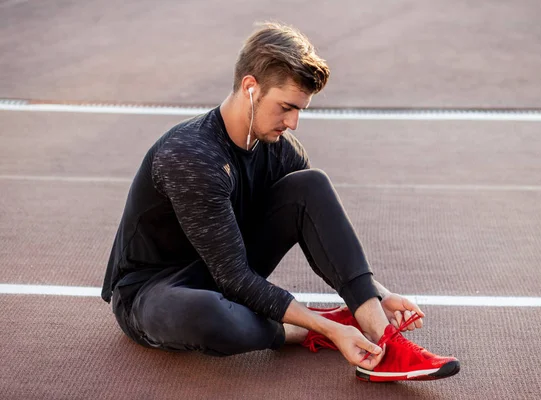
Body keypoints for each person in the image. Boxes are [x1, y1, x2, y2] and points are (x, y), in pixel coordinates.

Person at [101, 22, 460, 382]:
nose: (293, 122)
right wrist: (325, 326)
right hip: (155, 291)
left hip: (224, 268)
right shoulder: (192, 156)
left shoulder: (277, 148)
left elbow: (320, 231)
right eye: (286, 107)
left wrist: (375, 296)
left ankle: (382, 340)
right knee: (209, 315)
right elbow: (235, 279)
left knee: (311, 185)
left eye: (300, 109)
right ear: (250, 87)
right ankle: (312, 330)